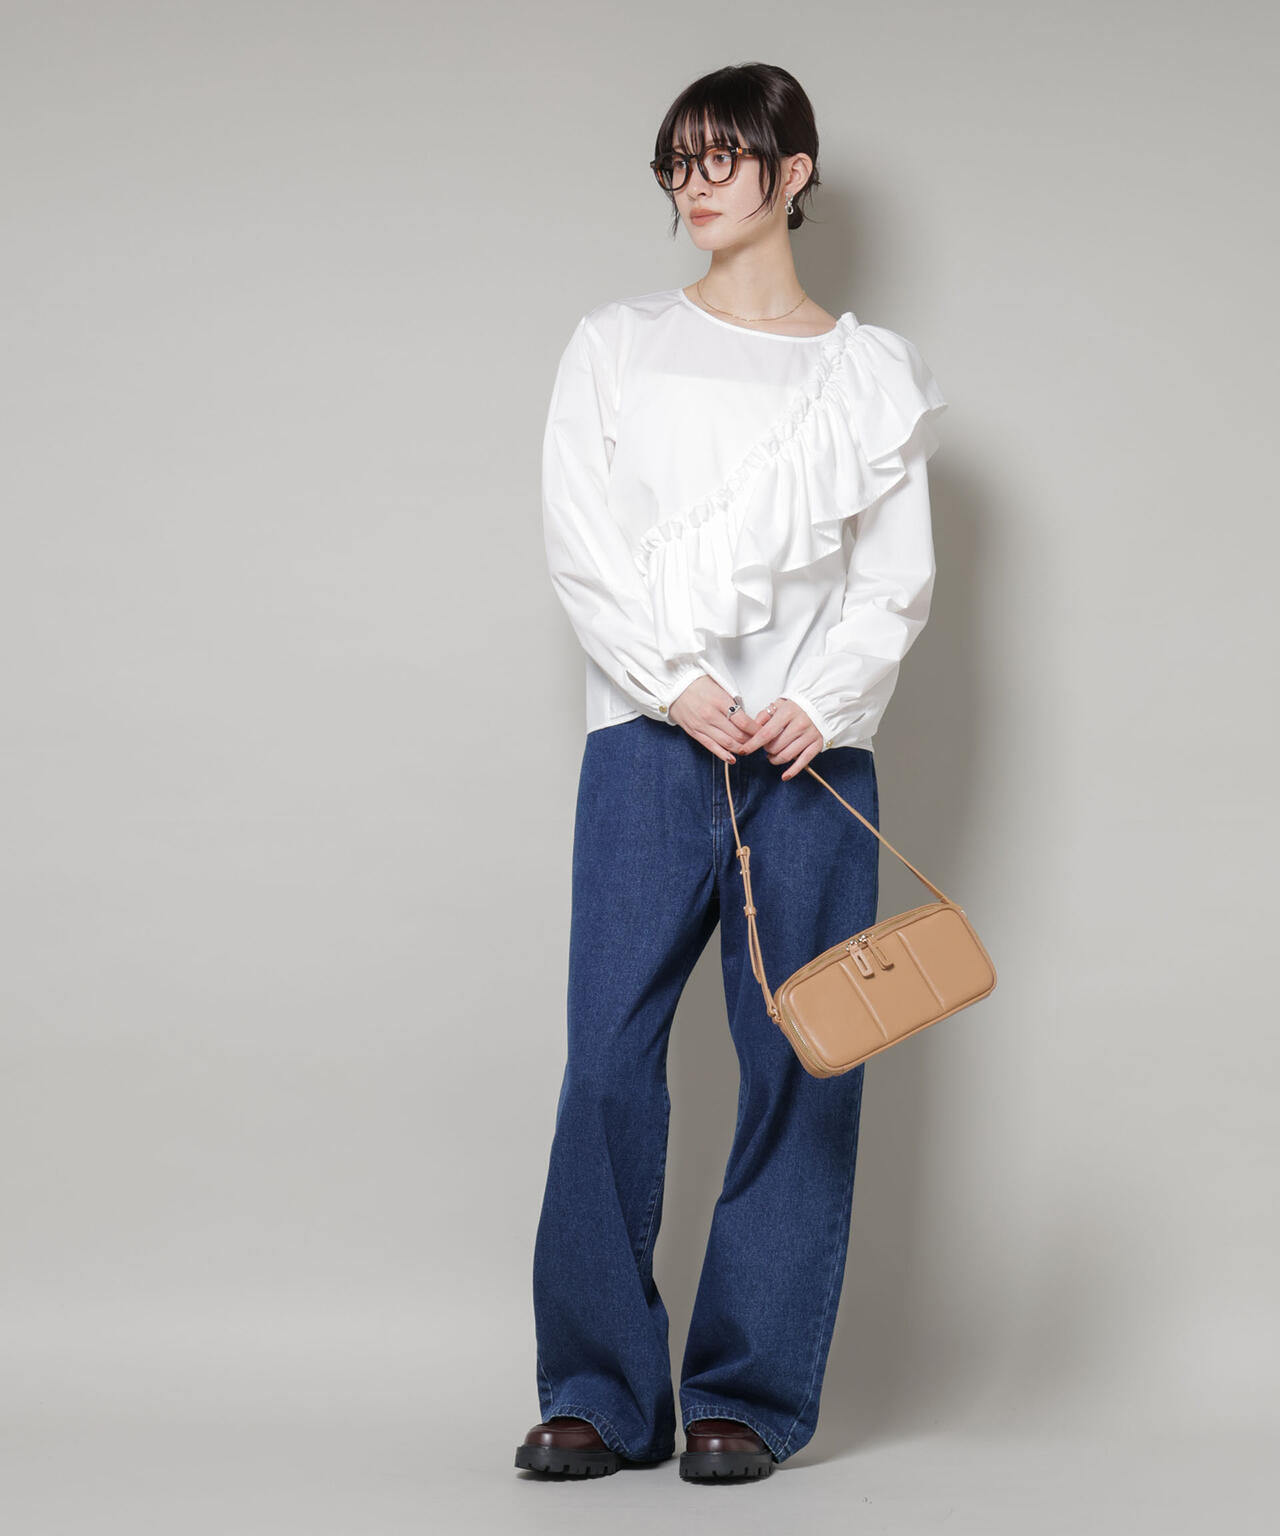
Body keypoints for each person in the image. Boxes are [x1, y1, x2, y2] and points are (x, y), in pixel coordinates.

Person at [514, 61, 947, 1484]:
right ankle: (599, 1393)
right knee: (607, 1064)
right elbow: (581, 541)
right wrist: (672, 681)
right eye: (678, 162)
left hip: (810, 766)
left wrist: (821, 701)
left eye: (723, 157)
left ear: (793, 172)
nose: (694, 184)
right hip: (647, 746)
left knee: (804, 1065)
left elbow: (894, 579)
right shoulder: (617, 345)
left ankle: (746, 1399)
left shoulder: (869, 373)